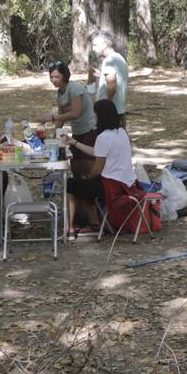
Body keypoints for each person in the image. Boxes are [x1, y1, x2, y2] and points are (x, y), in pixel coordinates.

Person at [62, 99, 135, 235]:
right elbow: (98, 151)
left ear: (100, 116)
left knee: (70, 185)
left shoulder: (103, 137)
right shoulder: (122, 132)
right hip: (126, 182)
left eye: (95, 114)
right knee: (85, 184)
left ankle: (71, 226)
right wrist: (75, 142)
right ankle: (93, 222)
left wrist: (89, 177)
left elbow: (97, 168)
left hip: (111, 185)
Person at [49, 61, 98, 178]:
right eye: (51, 77)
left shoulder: (74, 88)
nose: (54, 80)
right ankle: (79, 194)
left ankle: (94, 194)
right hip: (76, 132)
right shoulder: (60, 93)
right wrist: (54, 136)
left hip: (89, 130)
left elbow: (76, 113)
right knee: (75, 167)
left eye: (57, 77)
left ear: (64, 76)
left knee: (88, 166)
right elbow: (61, 117)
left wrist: (52, 117)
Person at [90, 31, 129, 119]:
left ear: (104, 45)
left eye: (95, 45)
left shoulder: (109, 60)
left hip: (109, 113)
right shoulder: (119, 58)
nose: (93, 48)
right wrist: (101, 76)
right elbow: (116, 79)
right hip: (118, 110)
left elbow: (112, 86)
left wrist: (103, 107)